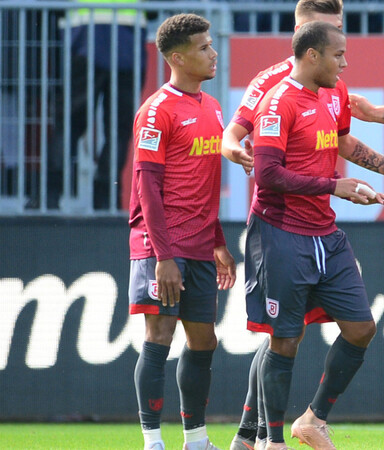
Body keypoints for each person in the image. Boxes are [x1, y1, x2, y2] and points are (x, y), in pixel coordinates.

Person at [221, 2, 384, 449]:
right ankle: (269, 440)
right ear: (312, 53)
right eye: (338, 52)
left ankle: (313, 417)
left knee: (361, 327)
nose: (345, 62)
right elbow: (266, 174)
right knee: (284, 339)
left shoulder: (335, 91)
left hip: (325, 233)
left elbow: (343, 143)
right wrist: (333, 185)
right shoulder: (276, 99)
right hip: (281, 232)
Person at [128, 13, 236, 450]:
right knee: (160, 335)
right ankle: (153, 441)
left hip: (199, 243)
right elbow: (147, 187)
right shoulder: (156, 111)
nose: (213, 53)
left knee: (204, 338)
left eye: (212, 44)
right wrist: (162, 256)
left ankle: (195, 439)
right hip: (162, 246)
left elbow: (205, 184)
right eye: (204, 47)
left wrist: (218, 243)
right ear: (177, 57)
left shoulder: (211, 106)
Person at [50, 0, 148, 210]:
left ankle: (49, 196)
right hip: (126, 46)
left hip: (83, 41)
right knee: (118, 130)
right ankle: (106, 200)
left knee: (70, 124)